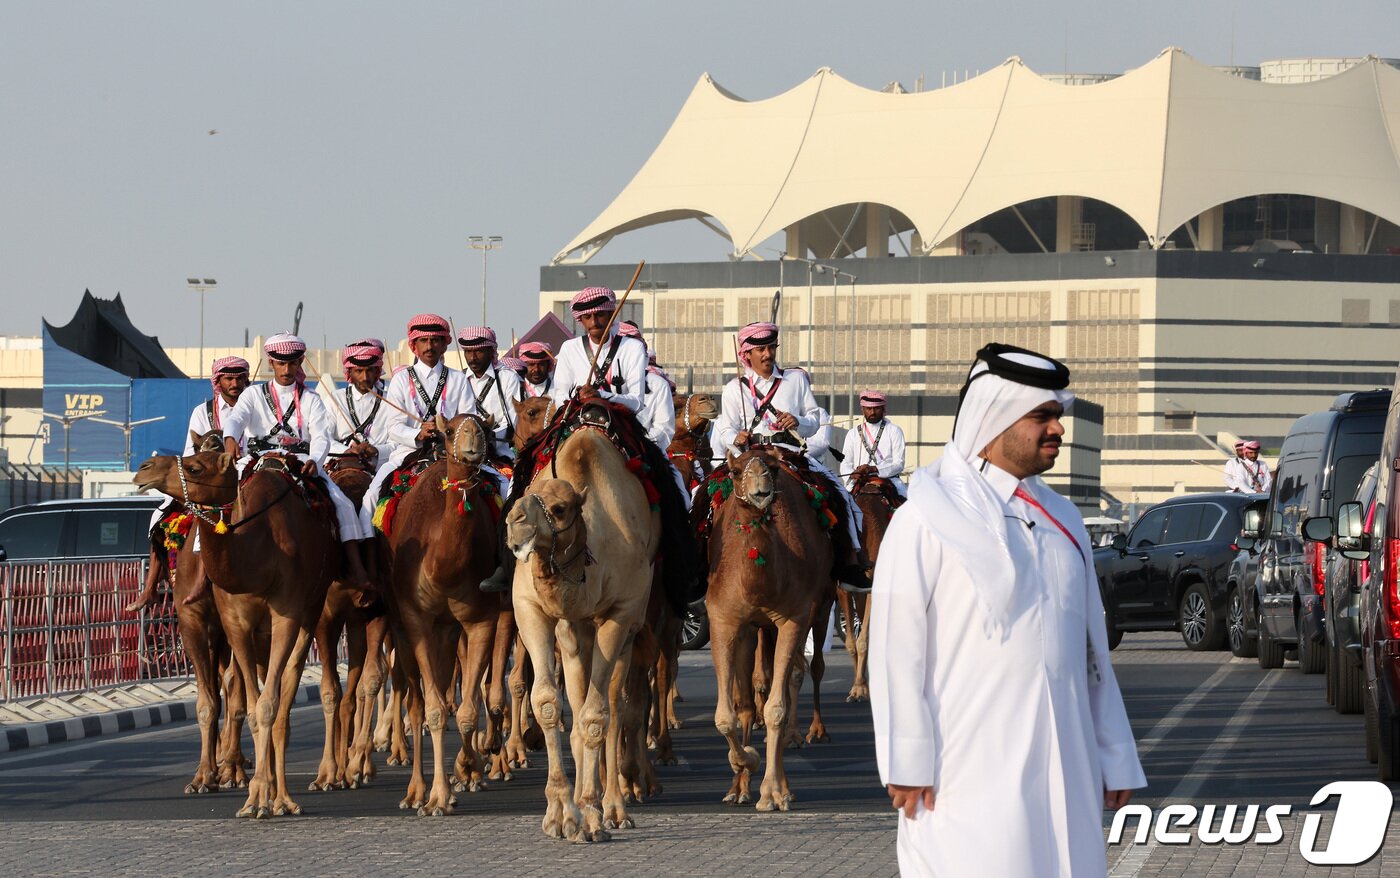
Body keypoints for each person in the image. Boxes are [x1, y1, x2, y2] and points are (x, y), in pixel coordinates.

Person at [868, 342, 1144, 878]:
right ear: (994, 419)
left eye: (1057, 417)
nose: (1058, 429)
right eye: (1041, 417)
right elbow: (895, 652)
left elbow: (1092, 652)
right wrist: (906, 758)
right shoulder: (927, 514)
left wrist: (1113, 751)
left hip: (1068, 763)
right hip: (963, 770)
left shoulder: (1063, 520)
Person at [712, 321, 867, 587]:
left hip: (790, 453)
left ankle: (849, 564)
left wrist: (798, 421)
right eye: (761, 349)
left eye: (771, 347)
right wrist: (734, 437)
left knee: (840, 494)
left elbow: (815, 418)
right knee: (704, 495)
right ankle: (698, 566)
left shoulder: (794, 380)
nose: (768, 354)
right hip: (750, 455)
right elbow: (726, 427)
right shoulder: (733, 388)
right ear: (746, 354)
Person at [221, 332, 374, 590]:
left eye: (292, 363)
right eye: (281, 363)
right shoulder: (252, 395)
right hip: (258, 458)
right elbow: (236, 419)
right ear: (271, 363)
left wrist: (315, 459)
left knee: (344, 504)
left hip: (300, 460)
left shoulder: (311, 399)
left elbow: (321, 436)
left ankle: (356, 570)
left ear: (300, 362)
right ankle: (206, 570)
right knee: (218, 499)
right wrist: (230, 438)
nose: (287, 369)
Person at [130, 355, 252, 611]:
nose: (235, 384)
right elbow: (189, 452)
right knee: (159, 516)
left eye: (239, 378)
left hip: (243, 473)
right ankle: (151, 586)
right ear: (218, 381)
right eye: (229, 378)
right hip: (206, 479)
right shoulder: (203, 412)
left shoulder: (254, 408)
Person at [359, 314, 480, 532]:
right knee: (371, 497)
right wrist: (418, 433)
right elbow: (392, 427)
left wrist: (447, 430)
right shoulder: (400, 379)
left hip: (450, 453)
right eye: (423, 341)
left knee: (499, 486)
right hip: (408, 453)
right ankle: (368, 558)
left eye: (435, 340)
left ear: (444, 345)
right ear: (413, 345)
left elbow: (468, 420)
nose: (429, 346)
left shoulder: (458, 378)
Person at [549, 286, 647, 412]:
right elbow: (560, 398)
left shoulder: (632, 347)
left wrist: (601, 395)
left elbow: (637, 403)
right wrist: (579, 397)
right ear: (581, 320)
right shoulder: (569, 348)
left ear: (611, 316)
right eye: (587, 317)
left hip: (620, 420)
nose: (594, 322)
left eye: (599, 315)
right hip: (579, 418)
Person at [457, 325, 522, 462]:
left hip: (498, 454)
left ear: (490, 351)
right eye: (468, 352)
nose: (472, 357)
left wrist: (486, 438)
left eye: (479, 351)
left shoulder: (508, 378)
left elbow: (512, 422)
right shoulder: (458, 378)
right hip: (462, 454)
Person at [324, 338, 392, 462]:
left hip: (379, 466)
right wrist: (346, 451)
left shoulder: (390, 400)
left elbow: (398, 442)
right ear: (349, 372)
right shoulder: (335, 398)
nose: (364, 377)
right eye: (359, 371)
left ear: (377, 371)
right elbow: (324, 436)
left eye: (369, 371)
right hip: (341, 463)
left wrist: (377, 450)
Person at [840, 390, 907, 499]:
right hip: (859, 480)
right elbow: (845, 462)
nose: (872, 412)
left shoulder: (894, 431)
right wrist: (852, 474)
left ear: (883, 409)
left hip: (889, 479)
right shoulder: (852, 433)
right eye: (868, 409)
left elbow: (899, 463)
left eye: (876, 408)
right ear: (863, 409)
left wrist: (874, 469)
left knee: (907, 505)